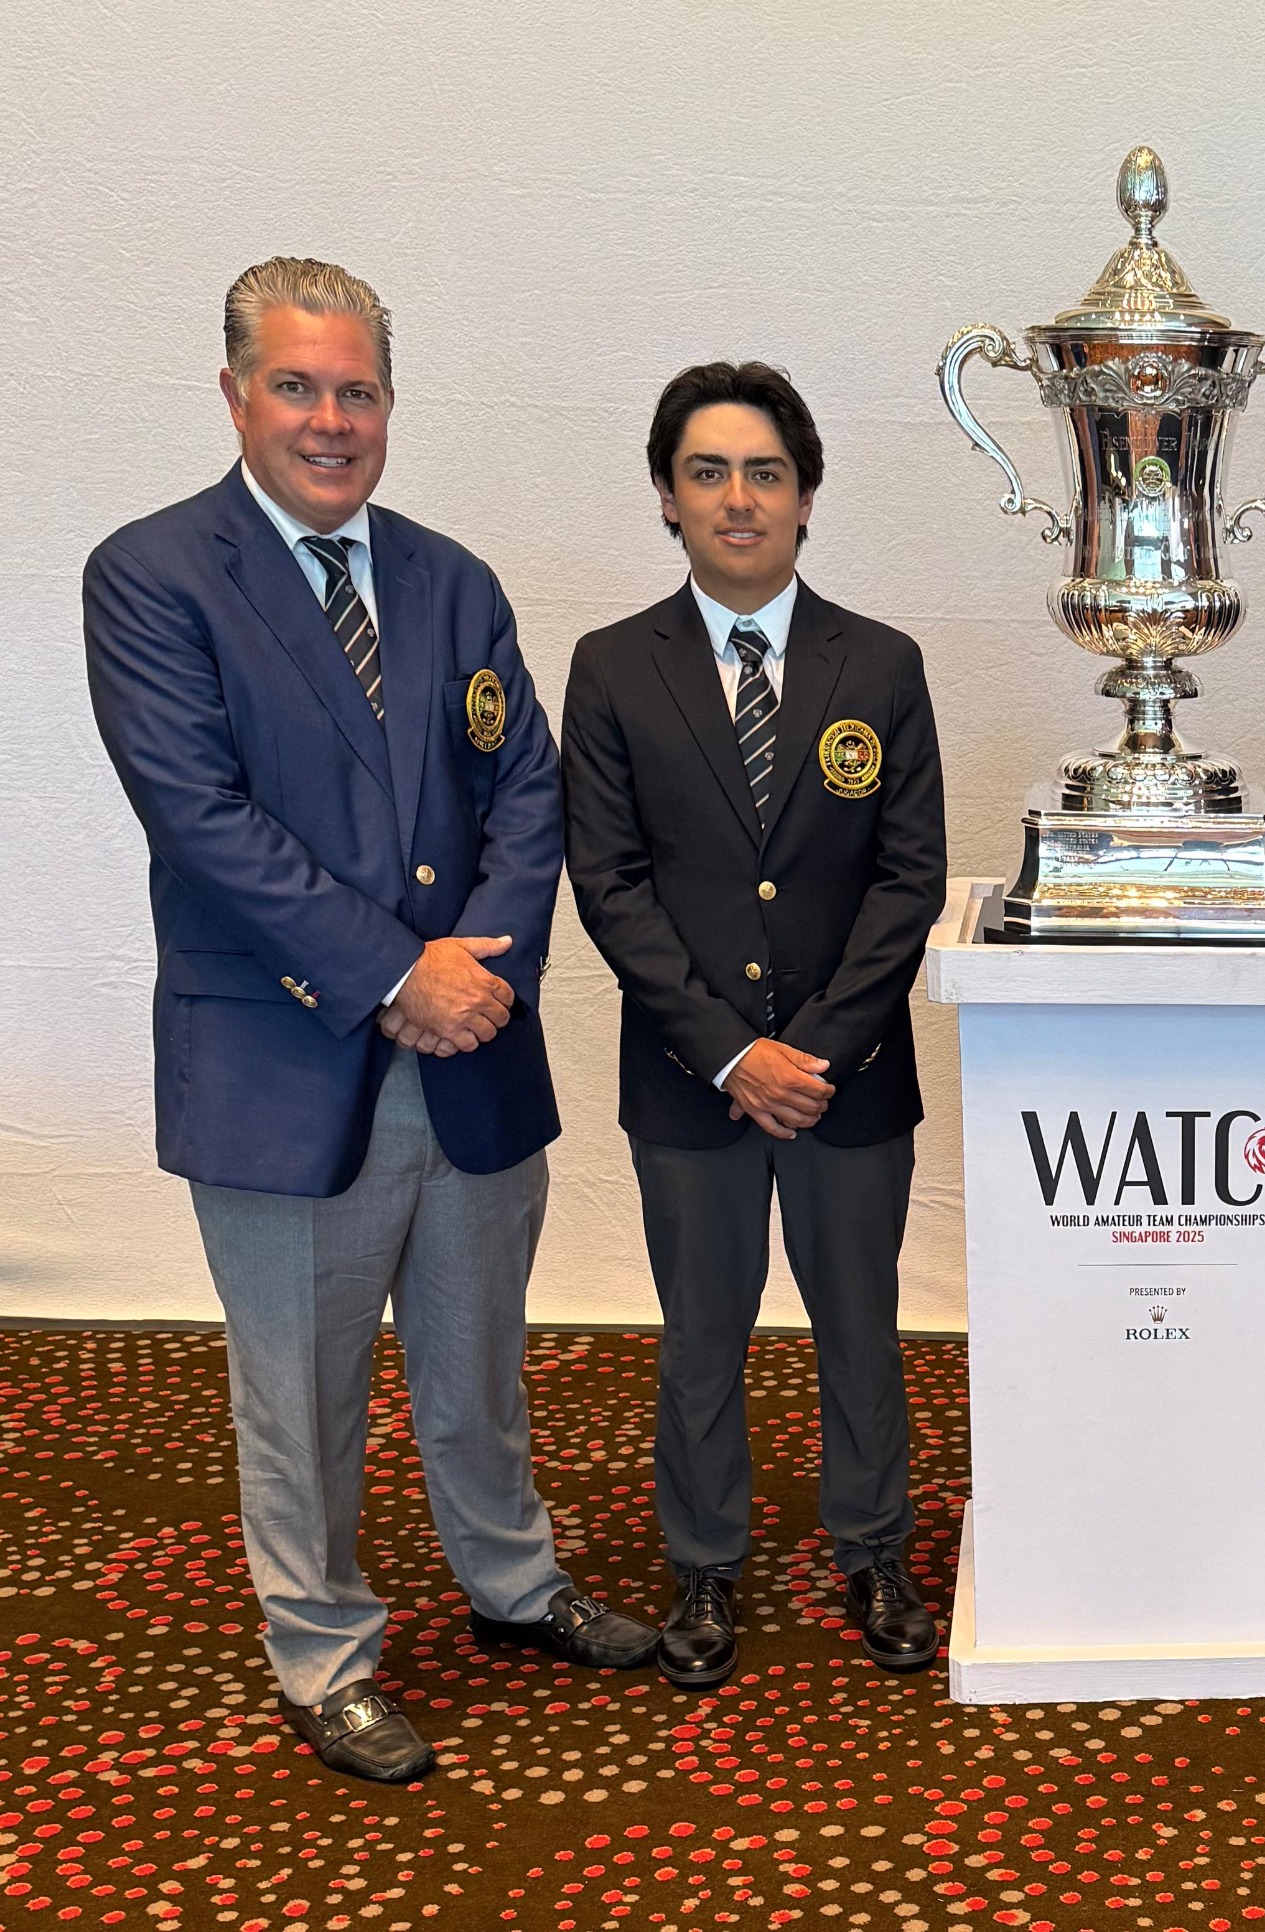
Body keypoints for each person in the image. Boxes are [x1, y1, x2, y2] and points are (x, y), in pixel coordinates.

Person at [83, 258, 656, 1784]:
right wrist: (404, 975)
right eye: (297, 387)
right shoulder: (153, 576)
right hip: (288, 1059)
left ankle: (513, 1585)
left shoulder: (451, 579)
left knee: (481, 1363)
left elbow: (525, 789)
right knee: (302, 1391)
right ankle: (324, 1653)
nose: (330, 420)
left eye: (357, 391)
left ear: (390, 403)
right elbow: (202, 820)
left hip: (474, 1046)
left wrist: (481, 971)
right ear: (234, 397)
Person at [561, 362, 948, 1688]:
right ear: (667, 497)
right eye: (709, 472)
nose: (739, 498)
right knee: (700, 1337)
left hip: (851, 1077)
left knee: (861, 1329)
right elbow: (609, 883)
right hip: (692, 1081)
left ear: (807, 496)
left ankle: (875, 1550)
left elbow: (908, 877)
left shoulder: (880, 664)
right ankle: (704, 1564)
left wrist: (816, 1049)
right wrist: (730, 1051)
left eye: (766, 473)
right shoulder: (613, 668)